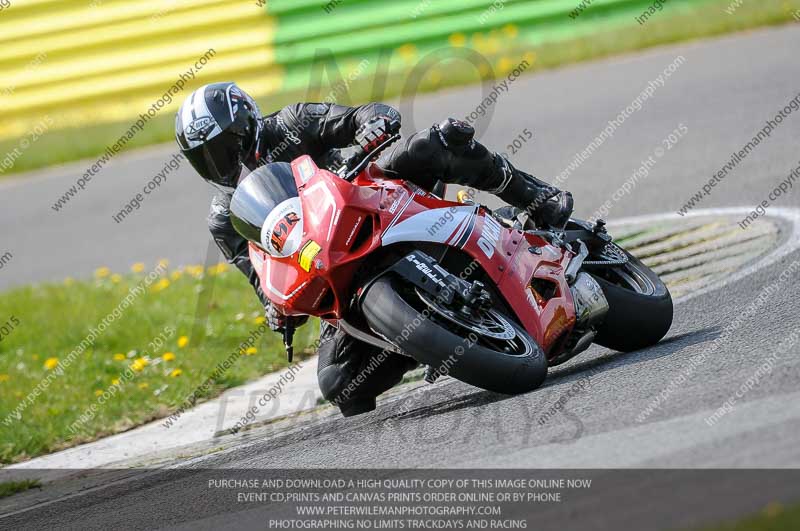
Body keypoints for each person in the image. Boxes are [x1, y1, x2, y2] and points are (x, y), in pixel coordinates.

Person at [175, 82, 572, 417]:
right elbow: (261, 279)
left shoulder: (292, 123)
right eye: (203, 159)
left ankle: (534, 197)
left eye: (222, 147)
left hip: (370, 200)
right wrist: (276, 310)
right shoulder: (224, 219)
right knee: (340, 386)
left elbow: (361, 116)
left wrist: (372, 126)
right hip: (330, 267)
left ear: (246, 126)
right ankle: (425, 337)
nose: (217, 163)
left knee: (436, 141)